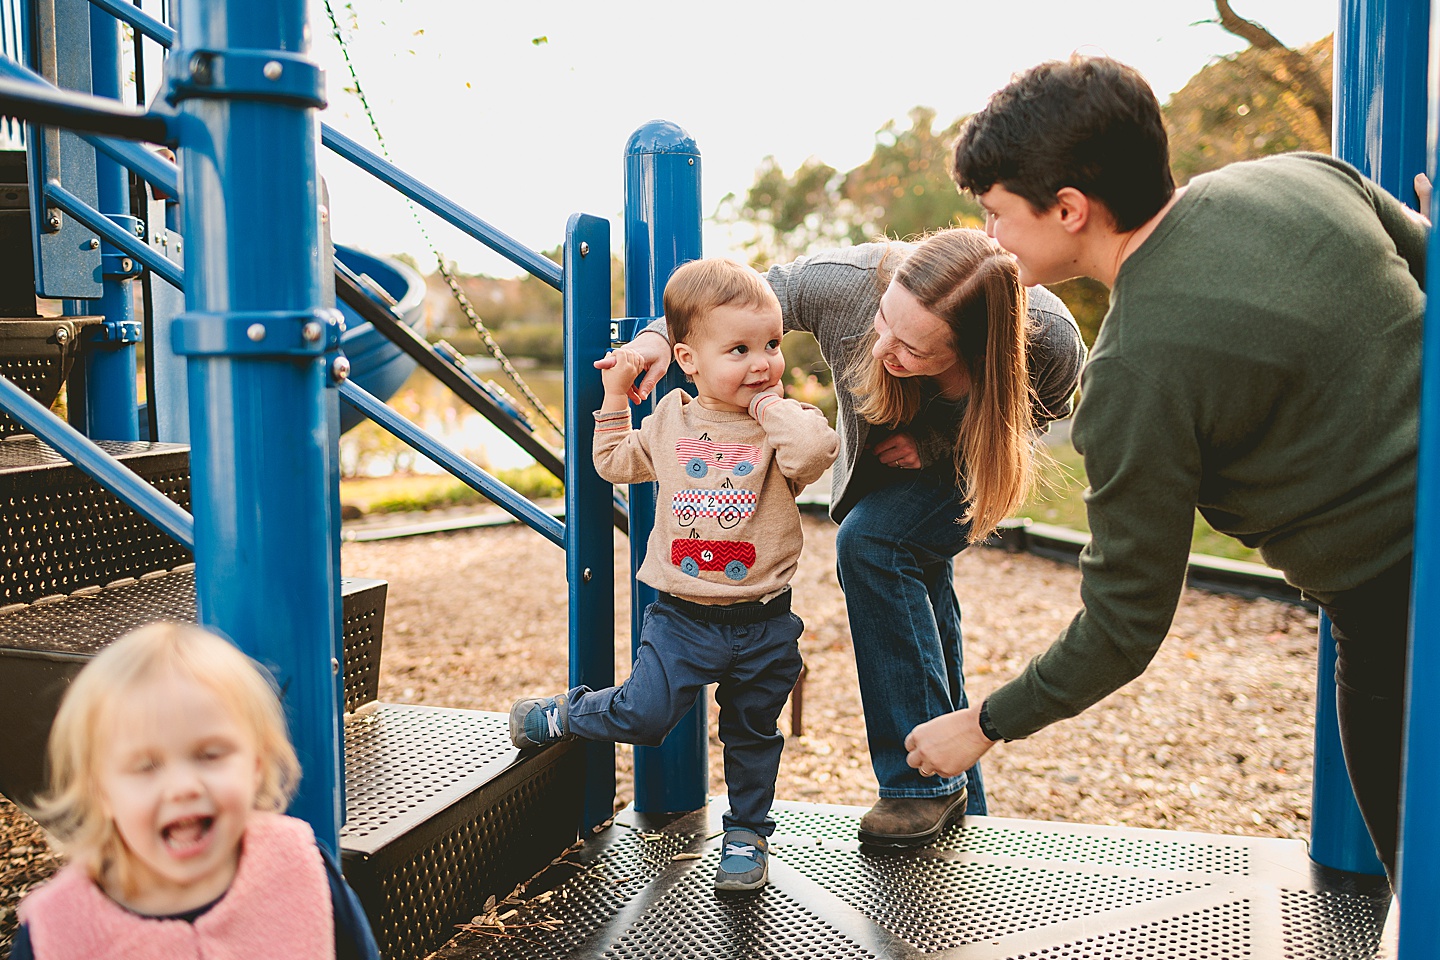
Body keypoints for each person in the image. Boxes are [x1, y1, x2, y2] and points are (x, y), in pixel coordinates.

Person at [907, 55, 1424, 885]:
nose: (992, 238)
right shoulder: (1305, 178)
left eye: (998, 214)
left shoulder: (1132, 374)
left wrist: (984, 724)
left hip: (1394, 606)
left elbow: (1126, 623)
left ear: (1070, 209)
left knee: (1420, 879)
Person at [600, 229, 1085, 848]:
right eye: (885, 324)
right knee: (920, 604)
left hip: (969, 460)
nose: (882, 348)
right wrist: (653, 339)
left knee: (873, 545)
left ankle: (920, 790)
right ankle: (957, 800)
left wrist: (941, 445)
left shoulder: (1047, 339)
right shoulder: (845, 283)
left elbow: (1041, 407)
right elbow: (729, 297)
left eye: (910, 348)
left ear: (972, 351)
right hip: (883, 467)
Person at [509, 258, 838, 892]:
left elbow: (817, 452)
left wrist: (769, 404)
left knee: (752, 732)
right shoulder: (669, 424)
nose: (762, 361)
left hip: (765, 619)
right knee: (646, 715)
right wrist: (612, 396)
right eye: (738, 349)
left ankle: (746, 832)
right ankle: (568, 714)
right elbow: (609, 462)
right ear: (686, 359)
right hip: (684, 618)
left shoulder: (779, 431)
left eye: (771, 345)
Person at [12, 622, 380, 959]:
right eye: (146, 766)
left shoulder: (300, 868)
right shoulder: (59, 931)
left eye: (209, 755)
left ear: (255, 765)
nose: (184, 787)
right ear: (101, 791)